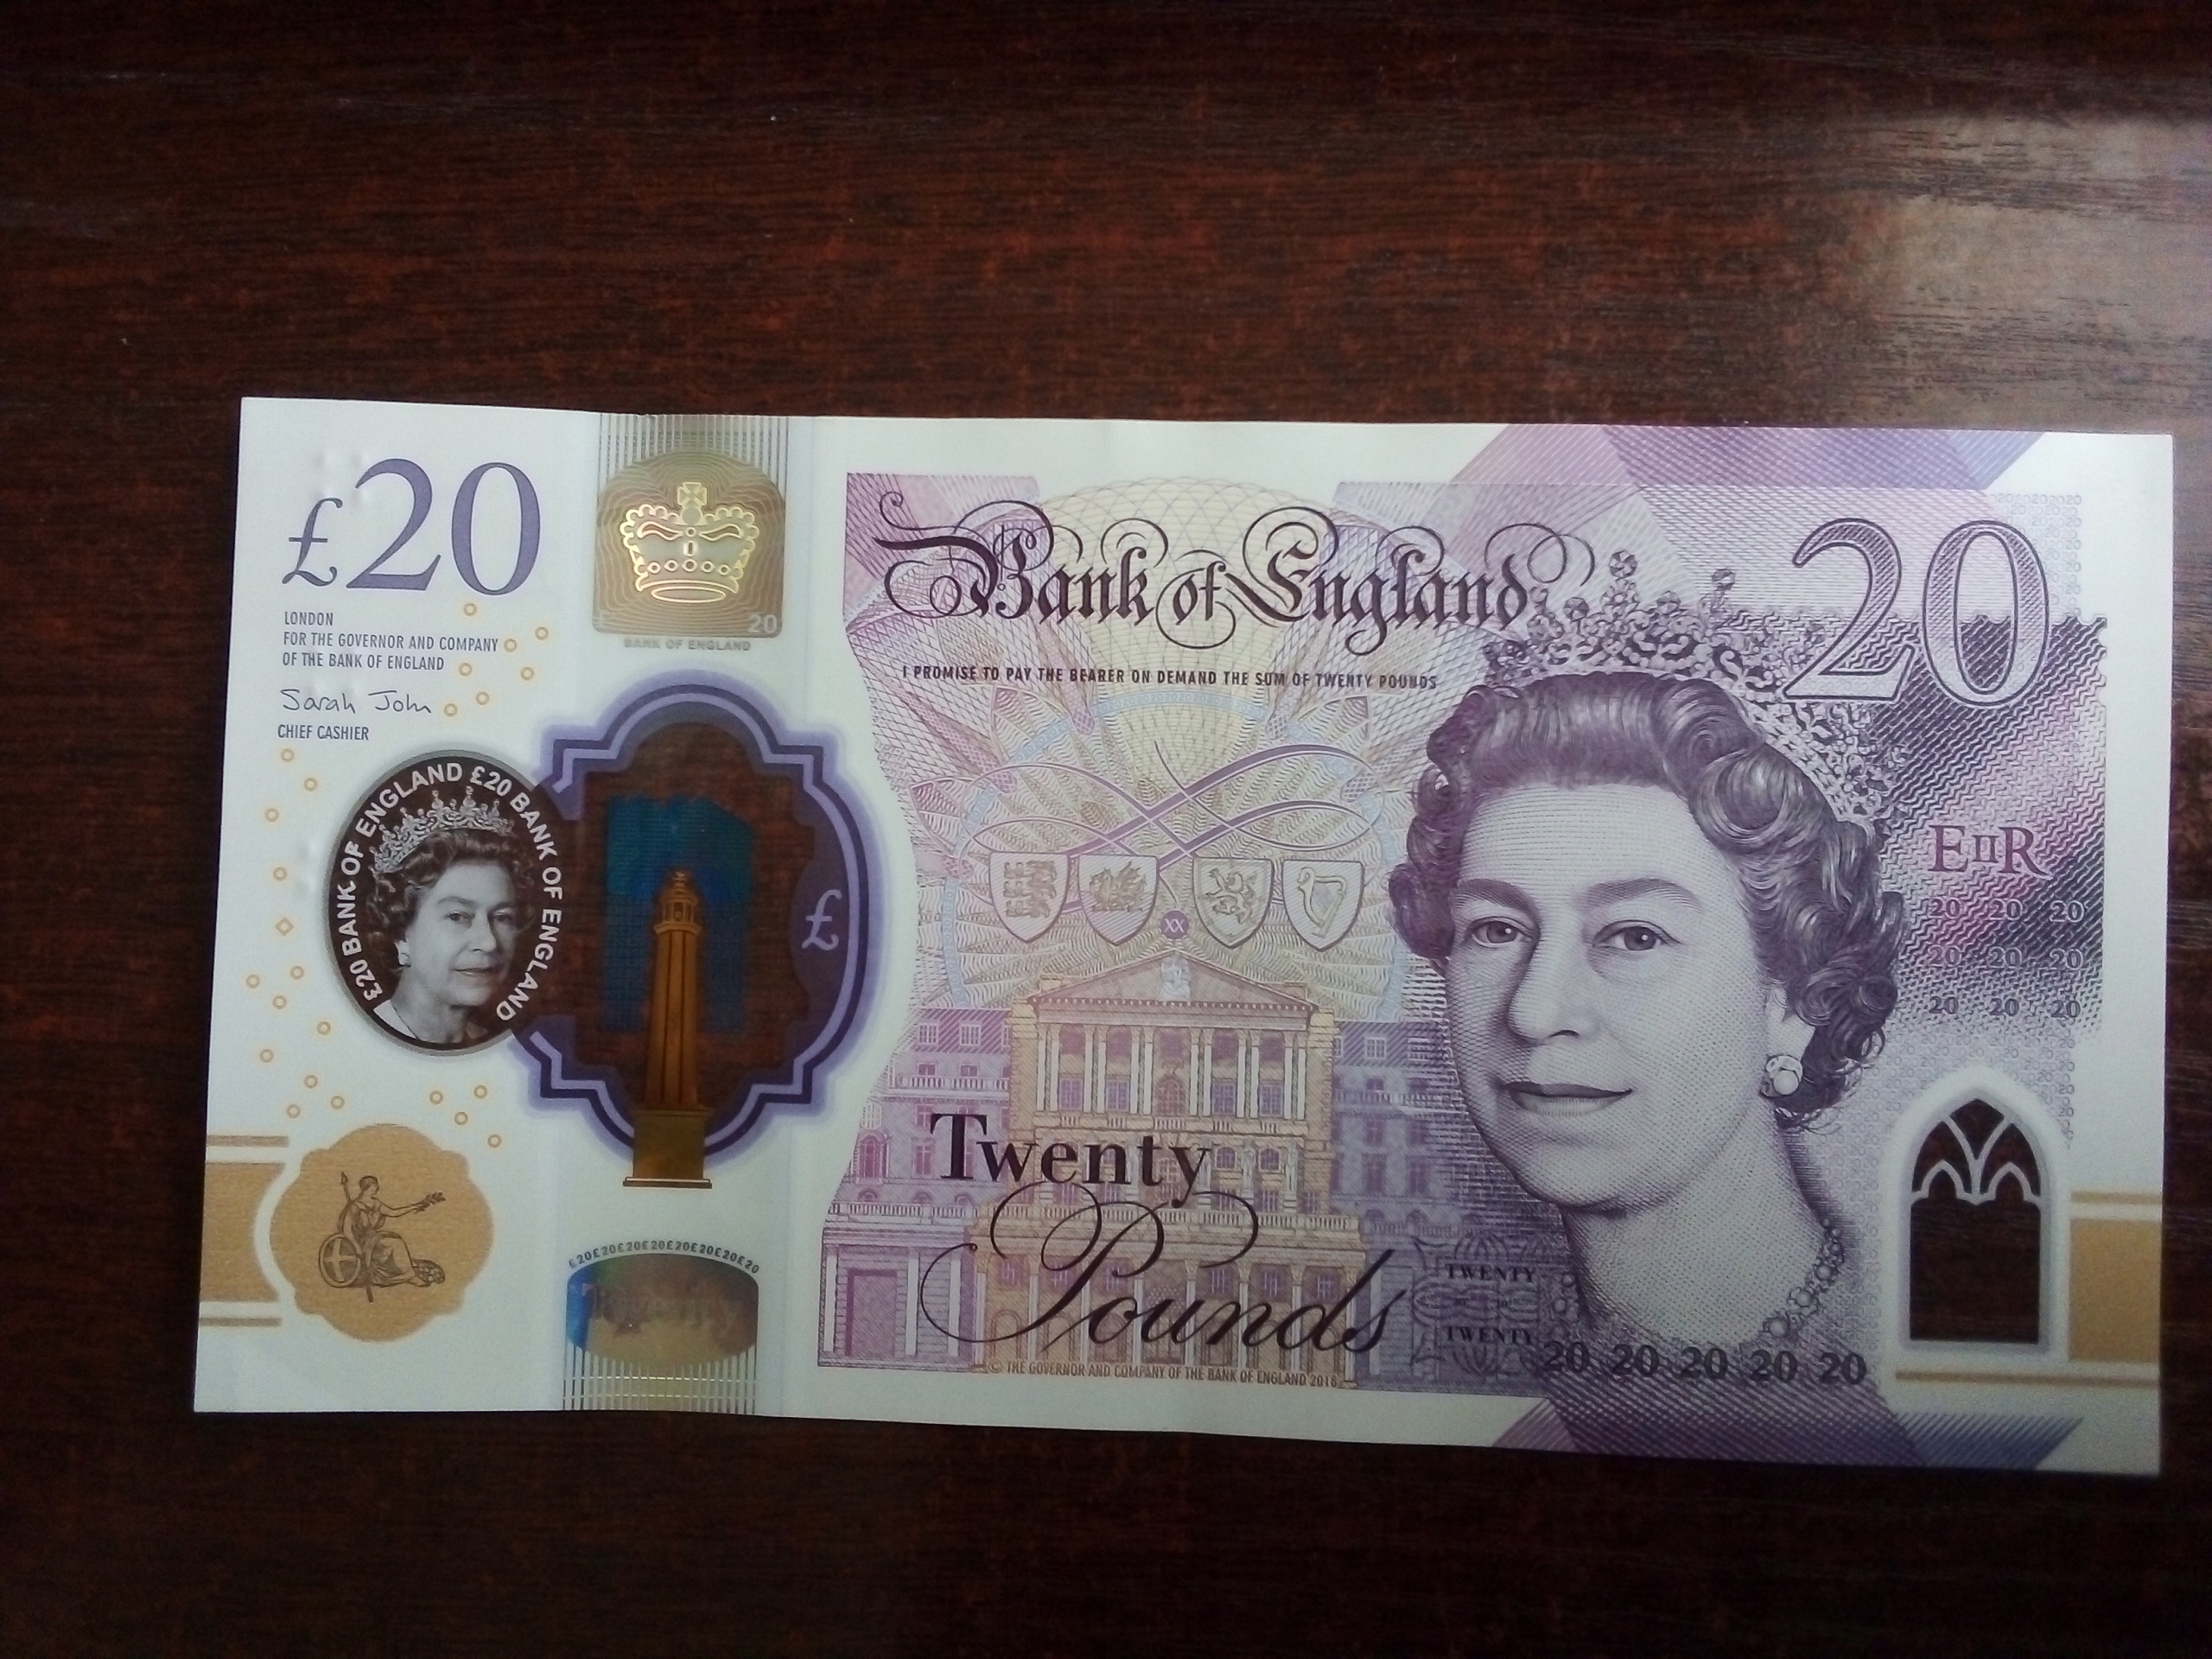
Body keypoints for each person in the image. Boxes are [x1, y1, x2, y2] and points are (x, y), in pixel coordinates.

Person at [1389, 670, 1916, 1463]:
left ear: (1795, 1001)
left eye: (1635, 936)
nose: (1534, 1011)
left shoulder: (1876, 1407)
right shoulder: (1481, 1358)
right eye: (1496, 930)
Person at [366, 804, 531, 1047]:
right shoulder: (357, 1043)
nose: (489, 942)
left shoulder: (500, 1050)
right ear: (401, 934)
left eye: (502, 917)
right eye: (457, 916)